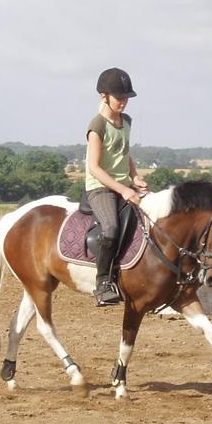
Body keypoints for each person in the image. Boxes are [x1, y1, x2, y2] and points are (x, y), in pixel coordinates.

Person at [85, 67, 149, 306]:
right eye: (119, 98)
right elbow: (94, 167)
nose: (123, 102)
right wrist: (123, 190)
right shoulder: (97, 126)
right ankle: (102, 282)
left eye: (126, 98)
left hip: (124, 185)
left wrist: (135, 176)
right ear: (104, 96)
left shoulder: (126, 122)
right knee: (111, 228)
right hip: (100, 187)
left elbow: (124, 152)